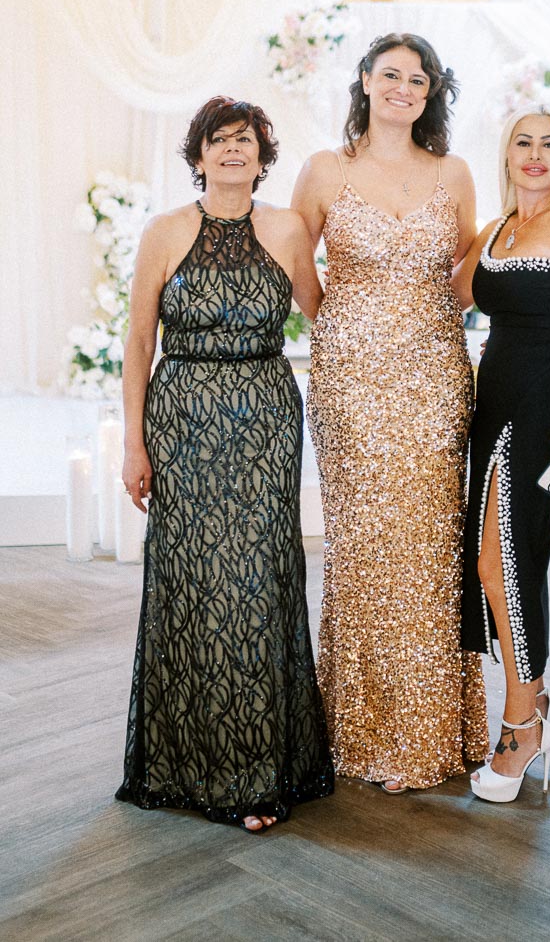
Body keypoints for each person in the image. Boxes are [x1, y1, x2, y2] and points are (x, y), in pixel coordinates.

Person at [116, 97, 334, 832]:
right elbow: (138, 343)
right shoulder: (165, 233)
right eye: (220, 140)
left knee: (257, 582)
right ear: (199, 154)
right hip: (181, 419)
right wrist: (133, 441)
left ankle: (256, 770)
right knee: (189, 581)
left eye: (245, 140)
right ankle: (187, 765)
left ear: (262, 154)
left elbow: (322, 312)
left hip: (267, 417)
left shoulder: (287, 228)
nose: (233, 151)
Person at [291, 33, 489, 792]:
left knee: (434, 549)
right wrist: (338, 323)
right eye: (392, 75)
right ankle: (363, 729)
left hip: (436, 381)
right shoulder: (324, 170)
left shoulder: (455, 173)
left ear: (432, 92)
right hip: (351, 386)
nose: (405, 88)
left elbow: (469, 274)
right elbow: (293, 255)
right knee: (367, 548)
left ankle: (435, 729)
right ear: (366, 83)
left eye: (420, 79)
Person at [455, 105, 550, 803]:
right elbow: (448, 294)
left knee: (509, 563)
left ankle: (521, 725)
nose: (537, 154)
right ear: (507, 154)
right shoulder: (496, 231)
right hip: (492, 407)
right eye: (525, 142)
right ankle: (535, 704)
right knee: (488, 562)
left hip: (542, 407)